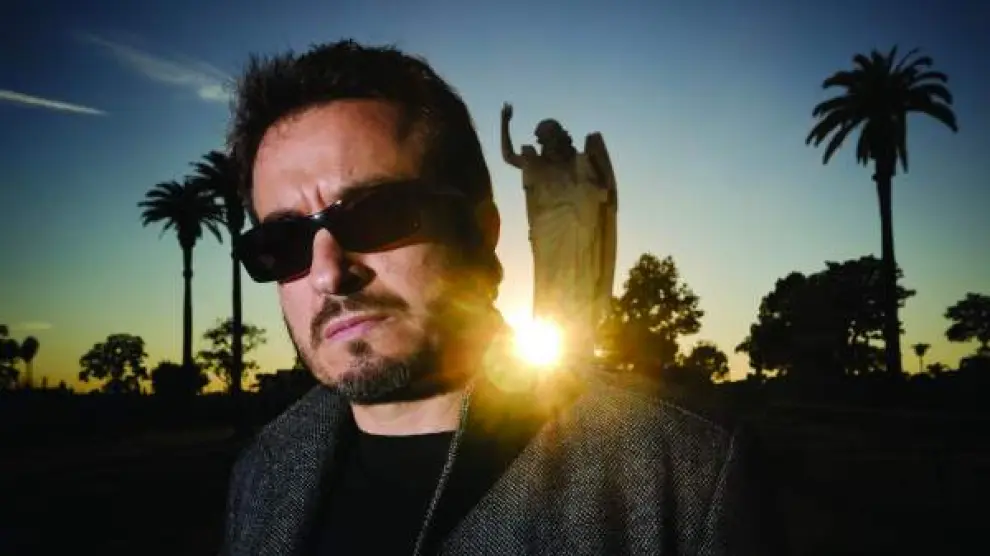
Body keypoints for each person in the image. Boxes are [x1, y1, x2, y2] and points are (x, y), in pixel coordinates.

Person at [220, 39, 780, 556]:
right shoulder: (261, 473)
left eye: (376, 215)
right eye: (282, 242)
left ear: (481, 231)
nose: (327, 274)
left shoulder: (684, 478)